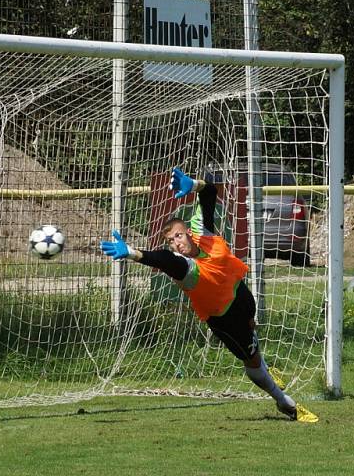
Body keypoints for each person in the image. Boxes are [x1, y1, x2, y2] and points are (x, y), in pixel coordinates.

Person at [100, 168, 318, 423]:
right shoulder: (186, 268)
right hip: (222, 318)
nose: (176, 243)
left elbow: (211, 192)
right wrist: (133, 253)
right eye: (170, 240)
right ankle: (284, 402)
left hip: (241, 295)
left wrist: (194, 184)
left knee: (252, 331)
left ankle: (265, 368)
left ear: (188, 234)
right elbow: (165, 260)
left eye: (178, 236)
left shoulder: (204, 234)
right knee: (251, 358)